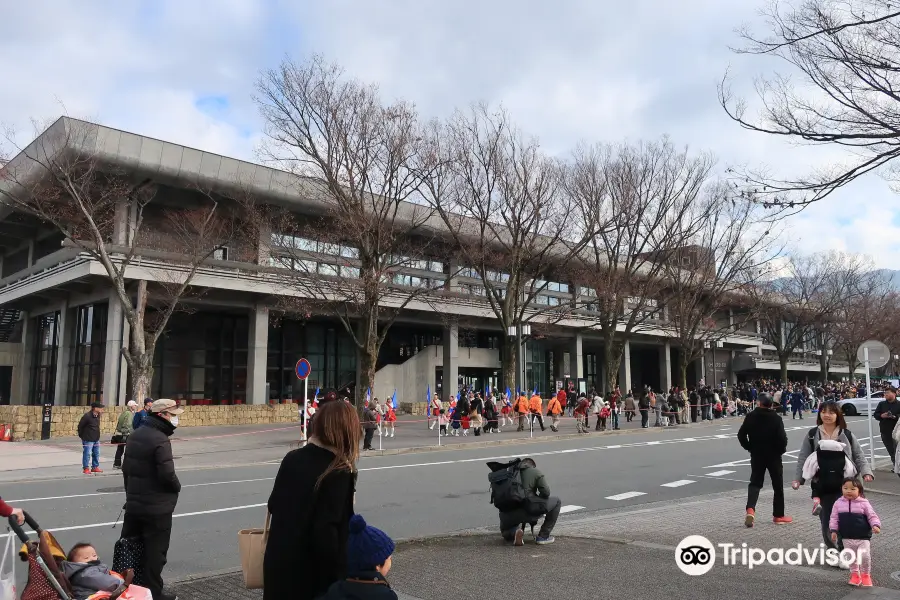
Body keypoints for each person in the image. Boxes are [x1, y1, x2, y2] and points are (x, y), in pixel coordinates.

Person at [264, 399, 359, 600]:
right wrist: (341, 578)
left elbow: (273, 504)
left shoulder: (292, 457)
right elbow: (327, 533)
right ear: (347, 430)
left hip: (279, 565)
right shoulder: (338, 470)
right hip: (313, 578)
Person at [121, 398, 183, 600]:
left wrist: (130, 494)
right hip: (156, 508)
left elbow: (126, 469)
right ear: (162, 415)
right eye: (172, 415)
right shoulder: (160, 439)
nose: (175, 419)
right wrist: (176, 486)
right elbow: (167, 474)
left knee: (132, 550)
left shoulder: (136, 435)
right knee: (155, 553)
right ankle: (153, 594)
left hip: (134, 504)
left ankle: (130, 590)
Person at [792, 401, 872, 553]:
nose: (827, 415)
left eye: (831, 412)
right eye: (823, 412)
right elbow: (803, 457)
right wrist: (798, 479)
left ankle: (846, 549)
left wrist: (867, 472)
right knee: (827, 520)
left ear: (838, 415)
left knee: (847, 518)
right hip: (823, 484)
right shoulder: (812, 434)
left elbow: (858, 455)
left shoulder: (846, 434)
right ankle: (833, 551)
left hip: (846, 484)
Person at [737, 392, 792, 527]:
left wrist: (749, 447)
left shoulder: (751, 416)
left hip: (757, 454)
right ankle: (778, 515)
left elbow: (741, 435)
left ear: (759, 403)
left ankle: (750, 509)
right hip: (774, 455)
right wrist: (781, 450)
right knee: (777, 485)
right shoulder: (776, 418)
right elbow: (782, 439)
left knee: (755, 482)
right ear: (771, 404)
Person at [320, 514, 398, 600]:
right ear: (378, 565)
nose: (391, 561)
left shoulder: (335, 590)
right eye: (389, 558)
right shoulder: (386, 596)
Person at [828, 477, 881, 587]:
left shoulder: (864, 503)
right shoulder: (838, 503)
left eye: (853, 489)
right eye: (845, 488)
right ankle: (855, 574)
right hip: (846, 536)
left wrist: (875, 525)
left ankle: (866, 575)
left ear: (859, 491)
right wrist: (833, 530)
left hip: (863, 536)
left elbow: (872, 516)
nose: (848, 491)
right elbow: (834, 518)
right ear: (841, 489)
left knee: (865, 556)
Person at [496, 457, 561, 546]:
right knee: (557, 501)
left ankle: (514, 532)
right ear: (531, 466)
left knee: (505, 531)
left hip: (506, 515)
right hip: (528, 511)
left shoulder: (508, 474)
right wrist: (537, 499)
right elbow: (546, 493)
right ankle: (543, 536)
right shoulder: (535, 472)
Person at [62, 543, 126, 600]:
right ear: (75, 563)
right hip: (87, 596)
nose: (92, 558)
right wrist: (120, 582)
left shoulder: (90, 568)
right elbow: (103, 581)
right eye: (86, 558)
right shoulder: (86, 573)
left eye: (94, 555)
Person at [873, 386, 900, 467]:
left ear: (894, 393)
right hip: (886, 430)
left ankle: (897, 467)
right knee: (891, 450)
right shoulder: (882, 404)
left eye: (888, 393)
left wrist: (895, 417)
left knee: (898, 450)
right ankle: (896, 466)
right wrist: (882, 415)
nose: (885, 394)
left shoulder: (899, 404)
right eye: (885, 393)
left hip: (898, 431)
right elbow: (876, 415)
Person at [78, 402, 104, 475]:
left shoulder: (98, 415)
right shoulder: (87, 416)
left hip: (96, 438)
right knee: (87, 453)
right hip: (88, 439)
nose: (102, 409)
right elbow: (80, 426)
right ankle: (86, 468)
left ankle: (95, 467)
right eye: (100, 408)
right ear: (95, 408)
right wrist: (82, 436)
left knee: (96, 453)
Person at [113, 400, 138, 469]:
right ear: (131, 406)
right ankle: (126, 465)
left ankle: (116, 464)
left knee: (120, 449)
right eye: (134, 405)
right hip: (126, 434)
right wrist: (131, 433)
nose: (135, 407)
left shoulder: (124, 412)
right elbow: (128, 425)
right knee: (128, 450)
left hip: (120, 434)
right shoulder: (129, 414)